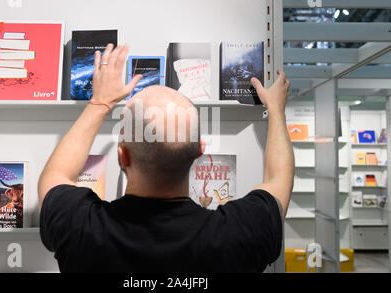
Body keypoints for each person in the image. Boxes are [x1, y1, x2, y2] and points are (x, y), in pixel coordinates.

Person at [38, 44, 294, 272]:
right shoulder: (240, 233)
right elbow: (278, 178)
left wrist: (100, 103)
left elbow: (56, 176)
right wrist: (275, 110)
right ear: (199, 151)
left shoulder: (80, 227)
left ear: (122, 155)